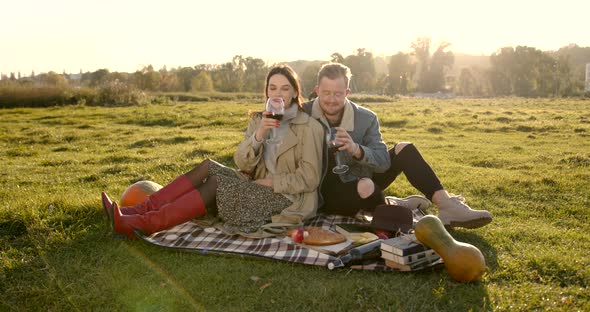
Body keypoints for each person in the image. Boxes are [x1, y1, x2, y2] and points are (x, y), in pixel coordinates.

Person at [101, 65, 324, 238]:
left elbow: (310, 178)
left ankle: (146, 224)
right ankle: (138, 211)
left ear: (295, 91)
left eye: (285, 88)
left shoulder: (309, 127)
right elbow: (243, 163)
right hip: (254, 189)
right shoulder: (260, 120)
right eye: (272, 88)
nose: (278, 94)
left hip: (287, 201)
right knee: (208, 166)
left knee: (217, 183)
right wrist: (259, 135)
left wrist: (269, 183)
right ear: (266, 91)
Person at [302, 62, 492, 229]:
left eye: (338, 94)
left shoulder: (366, 118)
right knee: (365, 186)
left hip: (365, 176)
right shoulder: (302, 115)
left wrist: (356, 150)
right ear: (317, 90)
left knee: (404, 149)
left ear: (348, 93)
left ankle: (447, 206)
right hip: (327, 191)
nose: (331, 99)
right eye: (326, 93)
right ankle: (391, 205)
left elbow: (384, 162)